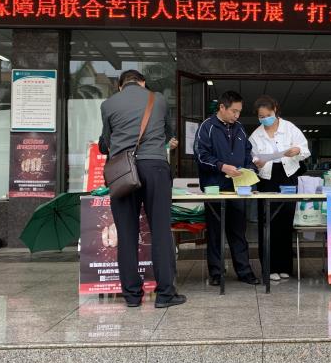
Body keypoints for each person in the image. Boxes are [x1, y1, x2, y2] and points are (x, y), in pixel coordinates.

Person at [99, 70, 185, 309]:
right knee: (160, 230)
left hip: (123, 171)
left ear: (120, 86)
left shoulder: (108, 104)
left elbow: (106, 143)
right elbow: (168, 133)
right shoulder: (158, 99)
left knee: (126, 234)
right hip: (155, 167)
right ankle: (165, 294)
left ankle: (132, 296)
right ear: (143, 82)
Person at [194, 91, 261, 286]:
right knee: (215, 233)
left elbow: (248, 154)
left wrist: (251, 168)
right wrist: (221, 166)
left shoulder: (240, 128)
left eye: (239, 112)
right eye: (234, 111)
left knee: (238, 231)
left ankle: (244, 271)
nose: (237, 115)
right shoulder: (207, 127)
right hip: (214, 188)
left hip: (238, 188)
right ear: (222, 107)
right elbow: (200, 155)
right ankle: (216, 273)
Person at [249, 95, 310, 282]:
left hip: (288, 175)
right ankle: (269, 268)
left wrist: (297, 150)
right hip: (267, 178)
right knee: (268, 222)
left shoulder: (289, 128)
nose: (265, 119)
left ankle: (285, 266)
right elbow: (251, 157)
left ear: (275, 110)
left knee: (285, 221)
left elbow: (305, 149)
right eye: (261, 117)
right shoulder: (255, 135)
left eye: (268, 115)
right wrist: (256, 162)